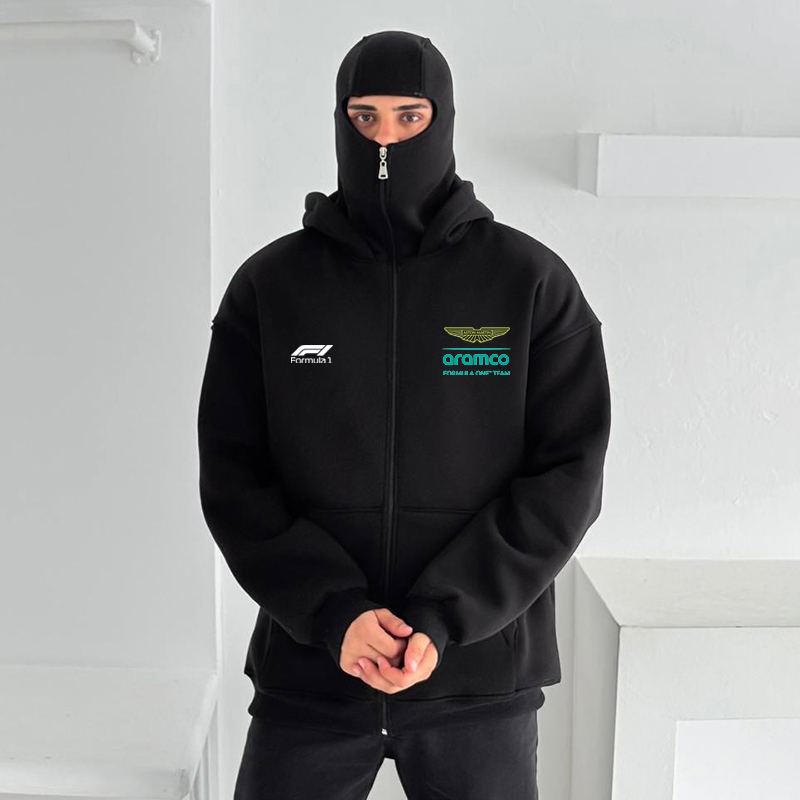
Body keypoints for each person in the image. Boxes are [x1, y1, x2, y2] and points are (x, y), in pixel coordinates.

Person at [197, 29, 611, 799]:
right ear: (340, 121)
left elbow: (569, 477)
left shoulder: (528, 282)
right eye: (365, 117)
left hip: (478, 681)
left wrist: (444, 616)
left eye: (408, 117)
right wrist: (335, 613)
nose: (385, 140)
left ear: (442, 120)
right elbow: (233, 476)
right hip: (313, 676)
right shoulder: (272, 287)